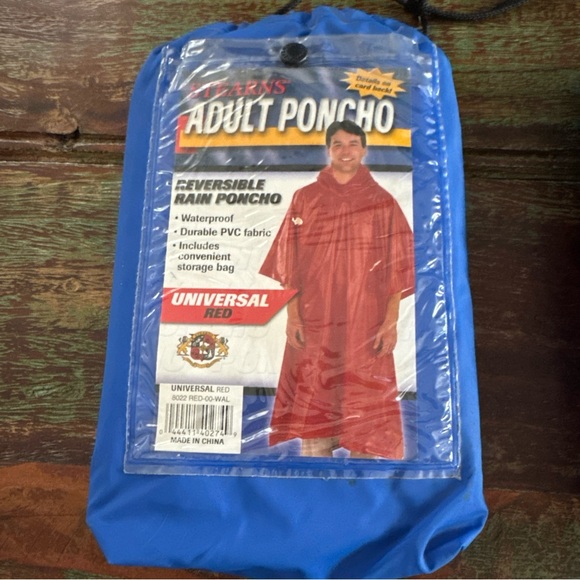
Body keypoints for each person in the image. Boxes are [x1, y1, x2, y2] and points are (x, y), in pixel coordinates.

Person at [260, 120, 414, 459]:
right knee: (315, 391)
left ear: (364, 150)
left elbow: (398, 266)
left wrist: (390, 322)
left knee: (366, 396)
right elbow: (290, 263)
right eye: (338, 144)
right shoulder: (306, 198)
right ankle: (316, 473)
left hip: (365, 319)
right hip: (315, 316)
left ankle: (362, 475)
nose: (346, 151)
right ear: (328, 149)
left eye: (353, 144)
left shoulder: (382, 202)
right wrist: (293, 317)